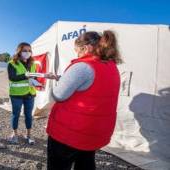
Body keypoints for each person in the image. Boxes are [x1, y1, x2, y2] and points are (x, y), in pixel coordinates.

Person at [46, 31, 122, 170]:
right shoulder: (112, 67)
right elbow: (92, 88)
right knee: (86, 162)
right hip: (92, 131)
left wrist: (54, 86)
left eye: (77, 51)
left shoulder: (83, 66)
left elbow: (58, 95)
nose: (77, 55)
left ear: (86, 48)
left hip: (69, 132)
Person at [7, 42, 55, 145]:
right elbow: (12, 78)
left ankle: (28, 135)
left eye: (29, 50)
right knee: (15, 114)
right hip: (16, 94)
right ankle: (14, 134)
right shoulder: (12, 63)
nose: (27, 52)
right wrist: (26, 76)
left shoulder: (32, 64)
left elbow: (34, 77)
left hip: (30, 94)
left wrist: (39, 82)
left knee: (28, 115)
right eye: (25, 50)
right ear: (19, 51)